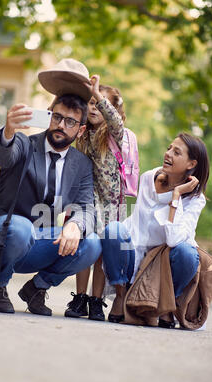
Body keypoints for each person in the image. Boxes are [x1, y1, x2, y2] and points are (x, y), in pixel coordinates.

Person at [0, 88, 102, 315]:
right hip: (0, 233)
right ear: (49, 116)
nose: (61, 125)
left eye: (70, 121)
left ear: (81, 130)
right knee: (22, 228)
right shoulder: (25, 144)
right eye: (57, 117)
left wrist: (75, 225)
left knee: (92, 243)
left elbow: (86, 207)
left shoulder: (82, 165)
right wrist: (8, 131)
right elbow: (0, 156)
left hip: (38, 241)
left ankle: (36, 288)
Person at [101, 132, 210, 327]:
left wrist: (176, 196)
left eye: (176, 152)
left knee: (187, 254)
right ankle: (121, 295)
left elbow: (174, 239)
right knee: (113, 230)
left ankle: (167, 304)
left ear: (191, 164)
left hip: (164, 262)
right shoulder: (148, 178)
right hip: (135, 251)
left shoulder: (195, 198)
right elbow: (139, 227)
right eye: (169, 148)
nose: (168, 154)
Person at [64, 74, 127, 322]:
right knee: (86, 248)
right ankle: (80, 298)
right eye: (90, 102)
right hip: (85, 201)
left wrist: (98, 95)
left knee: (102, 254)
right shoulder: (82, 133)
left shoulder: (115, 134)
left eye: (99, 102)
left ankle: (96, 300)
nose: (93, 106)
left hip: (111, 205)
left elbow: (113, 119)